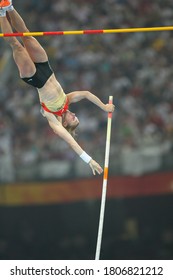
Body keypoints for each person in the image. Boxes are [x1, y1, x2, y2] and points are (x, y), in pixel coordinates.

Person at [0, 0, 115, 175]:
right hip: (46, 69)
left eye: (74, 120)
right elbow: (86, 94)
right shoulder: (67, 101)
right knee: (27, 36)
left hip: (35, 78)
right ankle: (9, 7)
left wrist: (89, 160)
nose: (75, 115)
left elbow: (71, 142)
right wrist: (104, 107)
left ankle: (1, 13)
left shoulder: (53, 119)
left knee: (16, 45)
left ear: (67, 124)